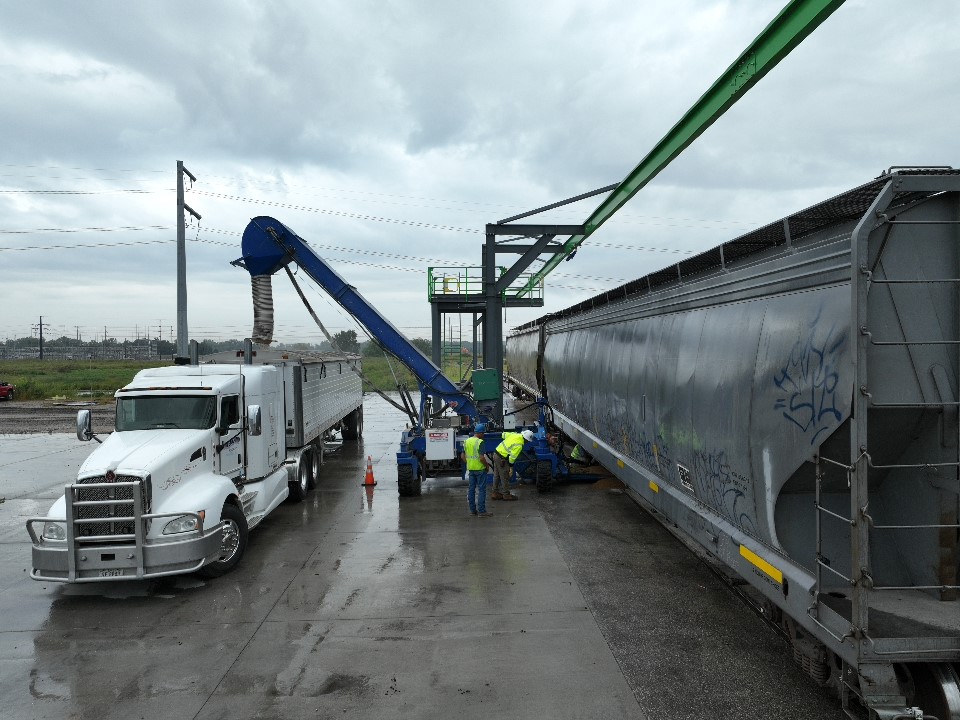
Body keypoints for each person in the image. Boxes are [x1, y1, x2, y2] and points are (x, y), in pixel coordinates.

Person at [492, 428, 535, 501]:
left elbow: (503, 434)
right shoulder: (519, 444)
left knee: (497, 475)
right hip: (502, 459)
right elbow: (512, 458)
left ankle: (494, 493)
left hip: (496, 454)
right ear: (526, 440)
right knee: (504, 476)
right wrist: (510, 467)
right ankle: (506, 495)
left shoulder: (514, 434)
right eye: (527, 441)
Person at [462, 423, 492, 517]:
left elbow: (462, 456)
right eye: (483, 434)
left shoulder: (466, 441)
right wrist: (487, 466)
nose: (483, 436)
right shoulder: (480, 442)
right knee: (482, 490)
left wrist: (469, 463)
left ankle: (472, 511)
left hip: (471, 469)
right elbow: (482, 458)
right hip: (480, 469)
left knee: (471, 490)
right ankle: (482, 511)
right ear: (480, 433)